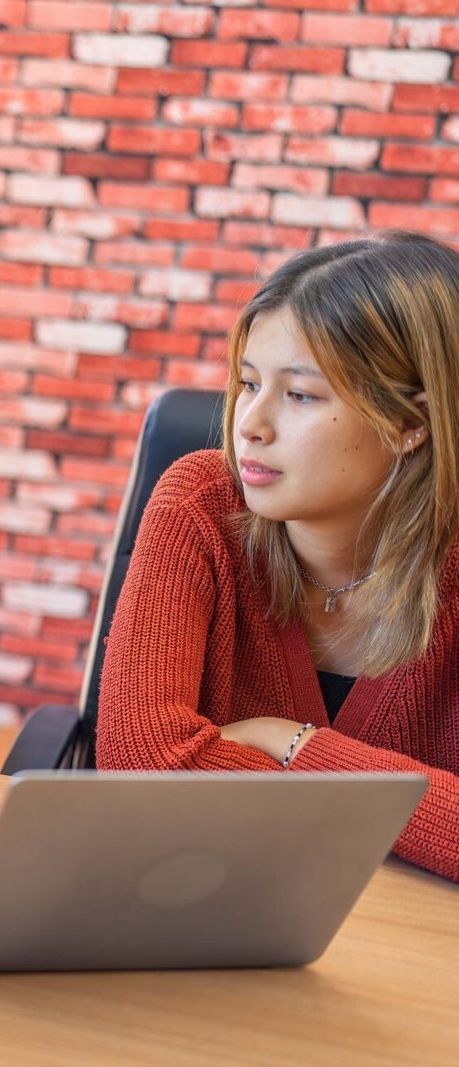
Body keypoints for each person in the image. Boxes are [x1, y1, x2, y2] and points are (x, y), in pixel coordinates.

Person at [96, 232, 459, 884]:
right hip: (214, 907)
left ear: (411, 424)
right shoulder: (200, 505)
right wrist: (409, 803)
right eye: (247, 383)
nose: (249, 424)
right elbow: (140, 767)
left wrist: (293, 742)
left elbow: (176, 772)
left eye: (300, 394)